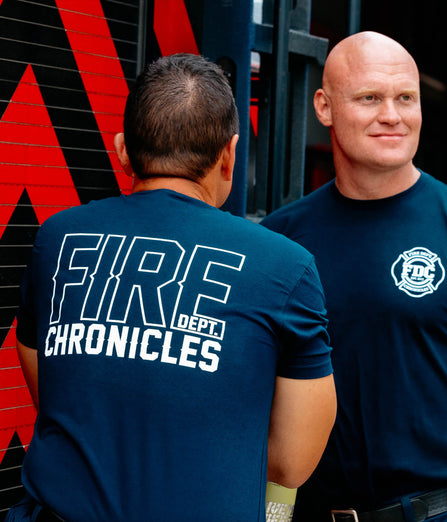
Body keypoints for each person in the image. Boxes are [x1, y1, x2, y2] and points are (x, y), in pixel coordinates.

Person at [9, 53, 336, 521]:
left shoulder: (58, 239)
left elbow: (58, 390)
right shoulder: (285, 266)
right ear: (229, 155)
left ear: (123, 150)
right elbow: (291, 462)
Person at [262, 31, 447, 522]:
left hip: (434, 514)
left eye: (406, 98)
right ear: (324, 106)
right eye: (369, 98)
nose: (392, 115)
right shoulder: (281, 240)